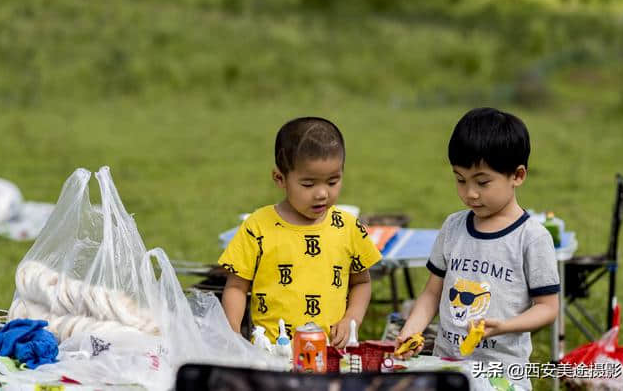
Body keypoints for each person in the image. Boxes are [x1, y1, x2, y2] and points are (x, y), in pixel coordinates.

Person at [396, 107, 559, 390]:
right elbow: (432, 292)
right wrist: (412, 328)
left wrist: (504, 326)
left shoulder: (531, 237)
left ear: (517, 175)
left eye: (482, 182)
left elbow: (547, 307)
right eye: (460, 179)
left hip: (502, 374)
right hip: (448, 367)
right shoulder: (453, 227)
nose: (469, 193)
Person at [218, 117, 382, 348]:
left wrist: (351, 319)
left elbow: (361, 283)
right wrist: (233, 335)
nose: (322, 193)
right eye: (308, 184)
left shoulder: (348, 227)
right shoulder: (257, 226)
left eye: (333, 181)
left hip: (333, 353)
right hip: (273, 352)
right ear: (280, 178)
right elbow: (236, 286)